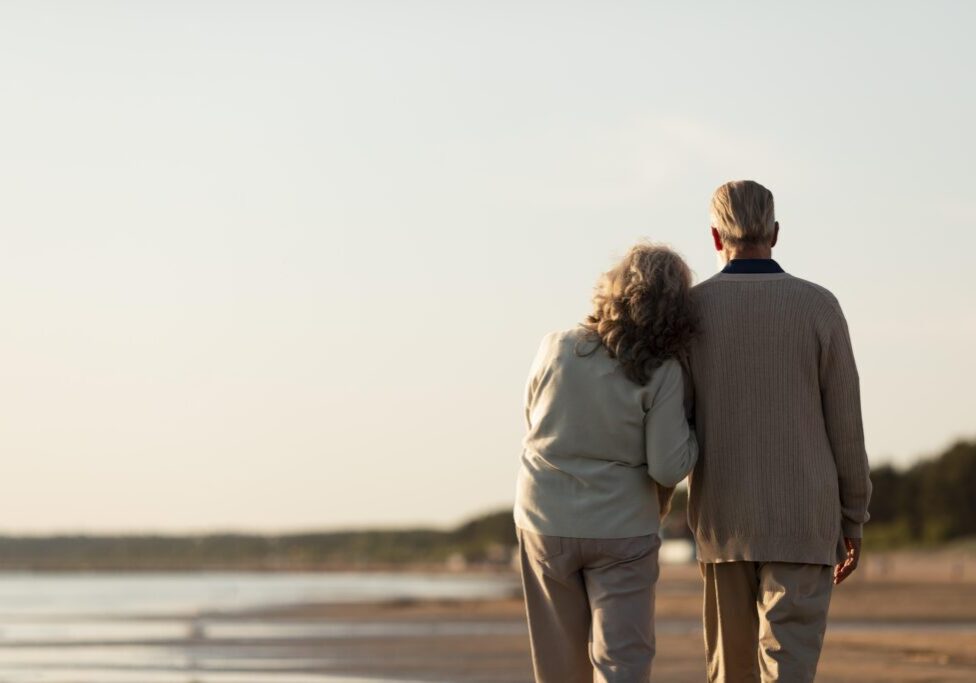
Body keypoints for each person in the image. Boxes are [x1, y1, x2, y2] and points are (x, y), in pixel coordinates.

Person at [687, 180, 873, 682]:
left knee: (731, 673)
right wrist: (853, 517)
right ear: (775, 231)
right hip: (804, 519)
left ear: (714, 236)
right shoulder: (819, 306)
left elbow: (673, 422)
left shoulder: (691, 312)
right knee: (789, 671)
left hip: (723, 520)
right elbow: (846, 426)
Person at [514, 243, 699, 683]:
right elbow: (668, 468)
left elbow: (532, 417)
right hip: (622, 527)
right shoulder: (663, 370)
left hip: (545, 519)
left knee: (558, 666)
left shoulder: (555, 347)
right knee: (623, 664)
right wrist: (696, 435)